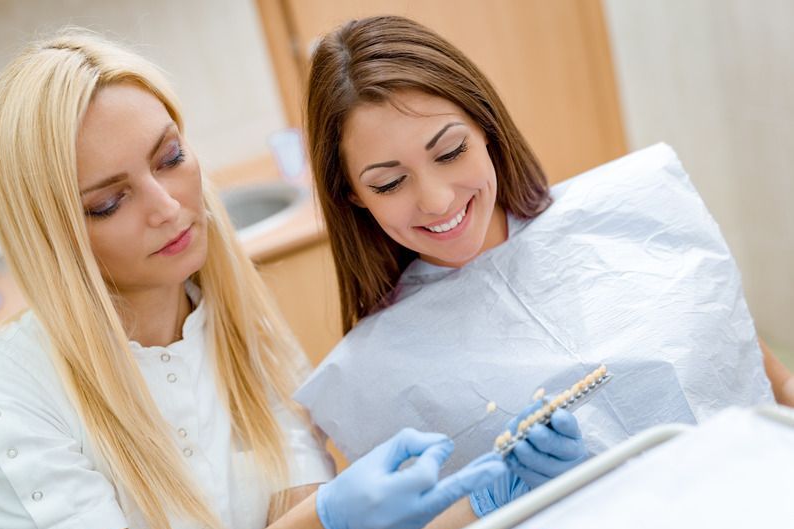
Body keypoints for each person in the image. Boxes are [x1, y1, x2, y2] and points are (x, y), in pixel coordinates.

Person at [0, 29, 551, 529]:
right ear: (53, 233)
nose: (168, 207)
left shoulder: (244, 334)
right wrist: (327, 524)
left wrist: (486, 497)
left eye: (170, 158)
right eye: (110, 201)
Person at [296, 15, 793, 481]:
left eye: (450, 152)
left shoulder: (634, 215)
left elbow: (771, 383)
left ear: (485, 128)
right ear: (353, 196)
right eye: (389, 183)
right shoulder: (376, 373)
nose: (437, 199)